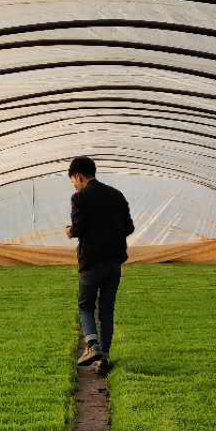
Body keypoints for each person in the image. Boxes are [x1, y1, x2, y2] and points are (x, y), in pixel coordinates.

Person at [65, 156, 135, 376]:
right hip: (114, 262)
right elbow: (129, 227)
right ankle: (103, 358)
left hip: (91, 262)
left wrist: (69, 231)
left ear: (78, 176)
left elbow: (78, 228)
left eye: (73, 181)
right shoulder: (117, 195)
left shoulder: (79, 197)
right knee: (106, 310)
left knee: (85, 306)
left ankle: (92, 346)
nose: (74, 185)